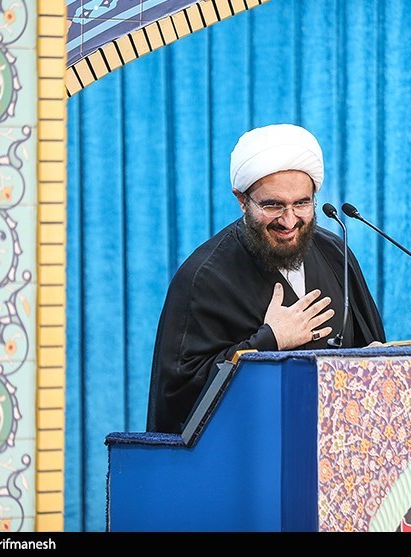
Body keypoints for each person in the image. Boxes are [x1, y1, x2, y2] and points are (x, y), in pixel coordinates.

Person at [146, 123, 386, 434]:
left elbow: (369, 345)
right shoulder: (204, 277)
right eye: (273, 205)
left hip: (336, 443)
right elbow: (179, 400)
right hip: (249, 452)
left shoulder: (334, 253)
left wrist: (374, 363)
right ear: (242, 200)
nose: (289, 220)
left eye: (301, 203)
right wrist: (270, 340)